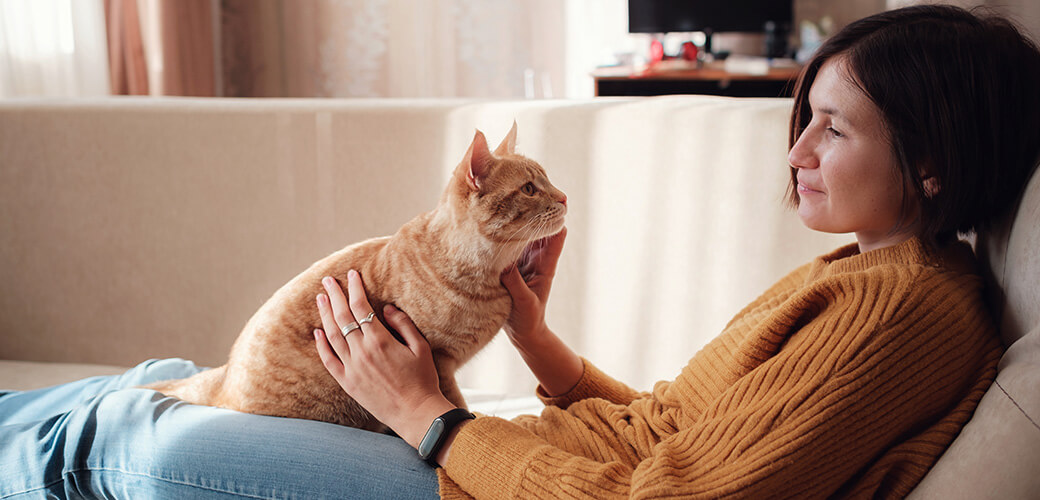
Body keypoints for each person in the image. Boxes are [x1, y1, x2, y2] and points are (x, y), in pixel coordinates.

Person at [2, 5, 1039, 499]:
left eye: (834, 129)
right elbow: (674, 432)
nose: (797, 148)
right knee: (164, 389)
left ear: (935, 160)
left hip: (495, 485)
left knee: (146, 448)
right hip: (521, 466)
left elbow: (680, 499)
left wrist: (430, 415)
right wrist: (540, 346)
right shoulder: (863, 272)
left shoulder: (905, 308)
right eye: (802, 116)